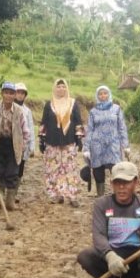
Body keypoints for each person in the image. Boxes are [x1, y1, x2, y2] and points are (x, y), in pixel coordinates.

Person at [0, 82, 32, 211]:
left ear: (15, 95)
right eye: (6, 92)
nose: (9, 96)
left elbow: (25, 130)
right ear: (2, 94)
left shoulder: (19, 111)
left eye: (11, 93)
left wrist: (24, 146)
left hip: (13, 144)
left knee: (12, 172)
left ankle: (10, 201)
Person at [39, 78, 84, 206]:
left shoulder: (73, 103)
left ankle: (72, 196)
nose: (61, 89)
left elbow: (78, 121)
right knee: (53, 169)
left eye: (63, 86)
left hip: (69, 141)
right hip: (52, 141)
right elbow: (44, 122)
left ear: (67, 88)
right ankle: (56, 195)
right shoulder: (49, 104)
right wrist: (41, 139)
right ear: (54, 88)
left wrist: (79, 138)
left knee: (70, 169)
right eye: (58, 86)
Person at [83, 85, 130, 197]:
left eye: (105, 93)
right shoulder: (93, 112)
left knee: (116, 170)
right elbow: (89, 130)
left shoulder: (116, 109)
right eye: (100, 94)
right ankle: (101, 197)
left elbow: (122, 127)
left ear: (109, 94)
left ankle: (118, 195)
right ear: (97, 96)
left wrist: (125, 145)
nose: (103, 96)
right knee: (98, 171)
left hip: (113, 145)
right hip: (97, 146)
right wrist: (86, 148)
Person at [13, 82, 35, 203]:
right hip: (9, 144)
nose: (20, 95)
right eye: (18, 92)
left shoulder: (27, 111)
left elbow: (31, 128)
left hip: (22, 145)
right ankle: (5, 192)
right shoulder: (8, 107)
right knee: (9, 169)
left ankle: (13, 194)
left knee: (19, 169)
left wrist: (32, 147)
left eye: (22, 93)